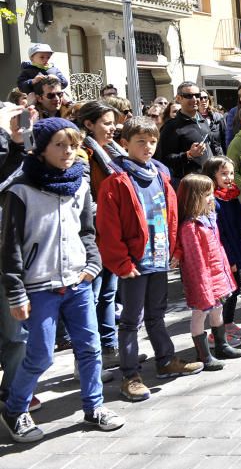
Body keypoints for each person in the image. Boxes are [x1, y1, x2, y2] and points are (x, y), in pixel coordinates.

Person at [0, 118, 125, 443]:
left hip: (78, 282)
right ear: (41, 149)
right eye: (59, 144)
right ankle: (14, 408)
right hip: (39, 287)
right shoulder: (21, 190)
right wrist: (16, 292)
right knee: (40, 355)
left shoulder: (80, 184)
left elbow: (86, 231)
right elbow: (10, 245)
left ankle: (93, 407)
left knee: (90, 348)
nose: (68, 151)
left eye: (72, 144)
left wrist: (92, 264)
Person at [96, 117, 203, 403]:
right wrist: (121, 263)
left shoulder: (160, 176)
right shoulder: (116, 182)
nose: (147, 147)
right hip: (133, 264)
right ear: (125, 144)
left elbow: (171, 218)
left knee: (157, 314)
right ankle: (130, 375)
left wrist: (175, 250)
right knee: (131, 320)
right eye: (140, 141)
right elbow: (108, 230)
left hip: (158, 258)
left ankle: (166, 361)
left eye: (152, 141)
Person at [173, 174, 241, 371]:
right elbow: (195, 262)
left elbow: (218, 248)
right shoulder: (190, 227)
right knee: (199, 315)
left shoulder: (209, 219)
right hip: (202, 281)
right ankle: (203, 355)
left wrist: (226, 270)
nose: (212, 197)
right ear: (194, 197)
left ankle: (221, 345)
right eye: (207, 194)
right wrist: (203, 286)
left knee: (218, 310)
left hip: (217, 276)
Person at [77, 102, 127, 366]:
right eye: (106, 123)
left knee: (108, 292)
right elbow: (83, 199)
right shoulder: (82, 152)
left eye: (113, 122)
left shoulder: (113, 152)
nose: (113, 128)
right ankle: (86, 357)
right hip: (92, 233)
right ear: (88, 124)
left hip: (110, 231)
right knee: (92, 295)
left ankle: (109, 348)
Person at [201, 156, 241, 345]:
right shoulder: (212, 200)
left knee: (235, 287)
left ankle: (228, 323)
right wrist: (229, 259)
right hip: (223, 253)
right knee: (225, 292)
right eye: (223, 173)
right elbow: (218, 233)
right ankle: (217, 332)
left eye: (231, 172)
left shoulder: (230, 196)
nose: (229, 177)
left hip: (235, 247)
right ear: (211, 176)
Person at [155, 82, 223, 185]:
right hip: (188, 185)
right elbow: (163, 160)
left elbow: (212, 148)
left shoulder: (203, 121)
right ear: (179, 98)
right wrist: (188, 155)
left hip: (209, 180)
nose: (195, 99)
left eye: (197, 95)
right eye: (189, 96)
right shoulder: (171, 126)